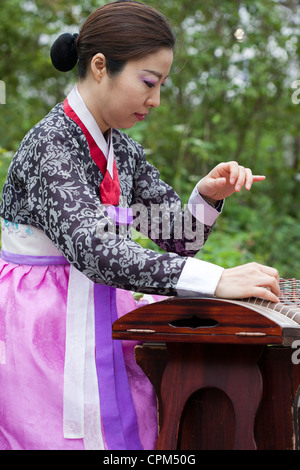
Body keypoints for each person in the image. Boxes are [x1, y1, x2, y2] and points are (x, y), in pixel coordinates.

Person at [0, 0, 280, 451]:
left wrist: (208, 196)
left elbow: (177, 237)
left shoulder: (121, 150)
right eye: (148, 82)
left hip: (100, 312)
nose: (155, 98)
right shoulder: (51, 145)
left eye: (162, 85)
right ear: (98, 67)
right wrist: (217, 279)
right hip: (44, 329)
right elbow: (96, 251)